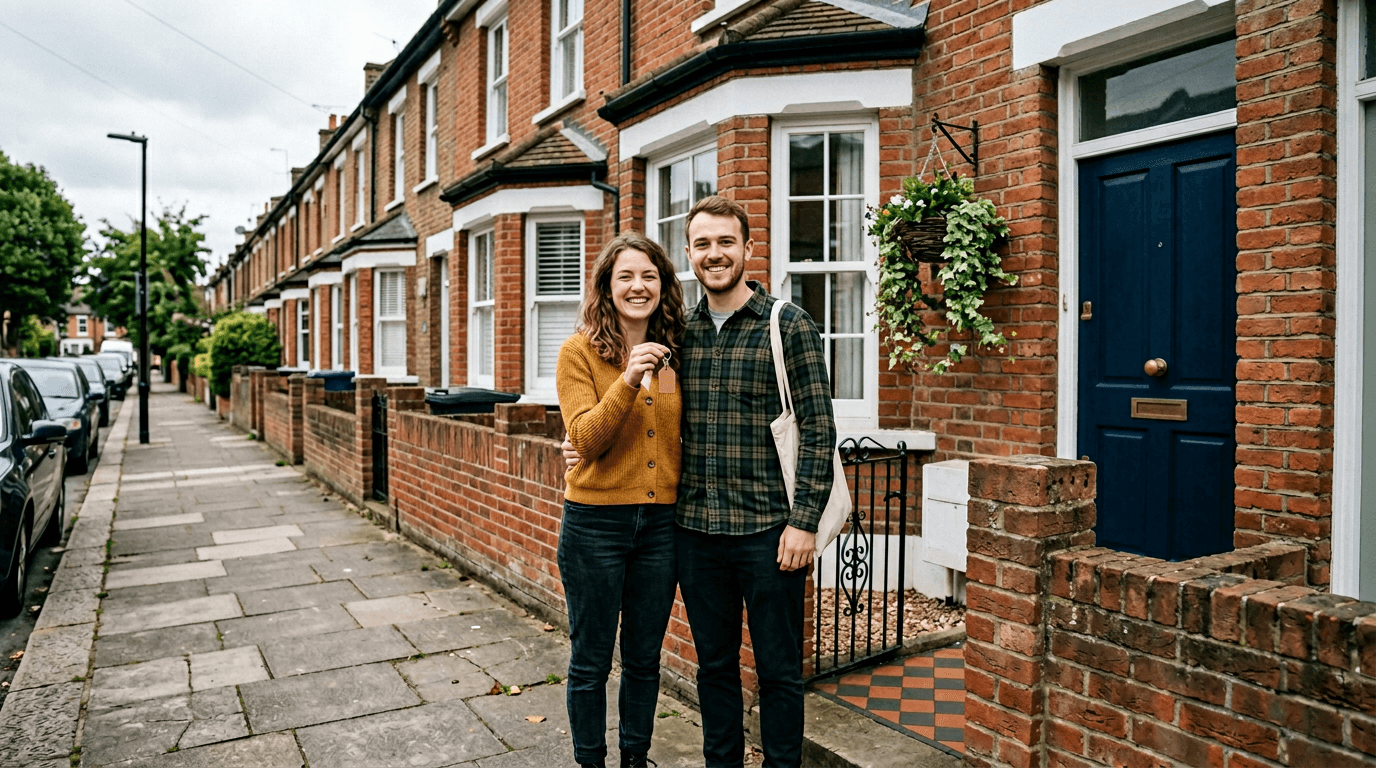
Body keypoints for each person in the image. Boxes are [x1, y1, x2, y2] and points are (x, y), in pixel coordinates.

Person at [566, 197, 837, 767]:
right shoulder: (678, 337)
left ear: (747, 249)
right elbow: (630, 422)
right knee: (714, 668)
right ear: (689, 255)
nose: (715, 255)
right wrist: (574, 442)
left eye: (726, 243)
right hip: (693, 533)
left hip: (770, 531)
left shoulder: (786, 325)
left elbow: (817, 429)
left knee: (779, 672)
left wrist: (804, 523)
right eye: (703, 245)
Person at [556, 231, 686, 768]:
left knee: (643, 658)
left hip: (661, 527)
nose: (638, 286)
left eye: (649, 276)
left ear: (663, 285)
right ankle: (591, 761)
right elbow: (584, 438)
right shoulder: (579, 352)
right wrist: (629, 378)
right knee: (590, 659)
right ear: (607, 287)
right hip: (595, 526)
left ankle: (635, 758)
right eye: (626, 276)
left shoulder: (681, 349)